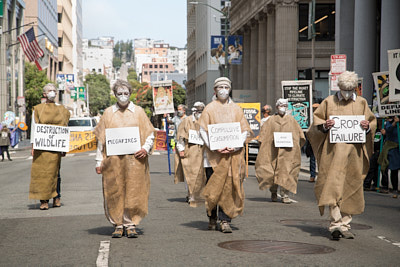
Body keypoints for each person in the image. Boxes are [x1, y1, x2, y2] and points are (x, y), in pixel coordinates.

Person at [307, 71, 376, 240]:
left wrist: (367, 126)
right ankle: (335, 223)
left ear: (355, 88)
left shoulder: (362, 103)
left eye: (350, 89)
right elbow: (315, 125)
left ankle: (345, 224)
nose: (347, 92)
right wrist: (325, 125)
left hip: (354, 155)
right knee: (332, 187)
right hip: (333, 154)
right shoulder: (328, 102)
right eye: (344, 89)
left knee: (350, 188)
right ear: (339, 87)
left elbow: (372, 123)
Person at [94, 80, 155, 238]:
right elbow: (101, 140)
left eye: (125, 93)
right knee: (115, 191)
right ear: (115, 94)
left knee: (133, 191)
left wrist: (145, 148)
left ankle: (130, 223)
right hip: (113, 161)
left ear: (130, 93)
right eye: (119, 93)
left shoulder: (139, 112)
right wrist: (98, 161)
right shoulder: (108, 113)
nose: (123, 96)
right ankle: (118, 224)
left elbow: (149, 134)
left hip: (135, 161)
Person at [198, 77, 252, 233]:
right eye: (219, 87)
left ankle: (225, 219)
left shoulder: (236, 109)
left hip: (232, 157)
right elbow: (203, 131)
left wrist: (234, 146)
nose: (223, 90)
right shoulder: (209, 108)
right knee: (213, 188)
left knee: (228, 188)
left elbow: (243, 131)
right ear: (215, 90)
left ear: (230, 89)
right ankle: (212, 217)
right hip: (213, 158)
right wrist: (214, 147)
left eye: (225, 87)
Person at [255, 99, 306, 204]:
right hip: (273, 151)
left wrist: (296, 147)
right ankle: (273, 192)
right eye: (281, 105)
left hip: (287, 153)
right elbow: (263, 135)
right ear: (277, 107)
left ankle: (285, 194)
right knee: (272, 173)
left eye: (285, 105)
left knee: (287, 173)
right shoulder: (270, 120)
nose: (283, 107)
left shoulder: (292, 120)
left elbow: (300, 136)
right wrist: (265, 147)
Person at [29, 83, 70, 210]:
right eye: (49, 90)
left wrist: (64, 147)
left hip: (56, 146)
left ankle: (57, 197)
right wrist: (33, 145)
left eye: (54, 90)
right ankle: (44, 200)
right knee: (42, 173)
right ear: (44, 94)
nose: (52, 92)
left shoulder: (62, 110)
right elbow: (34, 128)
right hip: (42, 146)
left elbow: (65, 128)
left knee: (56, 173)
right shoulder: (38, 109)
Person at [174, 102, 206, 206]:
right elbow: (180, 138)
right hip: (190, 150)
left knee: (203, 174)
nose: (199, 113)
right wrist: (181, 149)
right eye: (197, 110)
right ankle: (191, 195)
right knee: (190, 173)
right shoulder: (187, 121)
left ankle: (201, 195)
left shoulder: (207, 120)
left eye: (201, 110)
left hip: (204, 151)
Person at [377, 116, 400, 198]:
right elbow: (388, 130)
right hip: (388, 148)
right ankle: (385, 186)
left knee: (394, 169)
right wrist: (394, 123)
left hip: (396, 149)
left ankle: (395, 188)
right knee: (384, 167)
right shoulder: (389, 124)